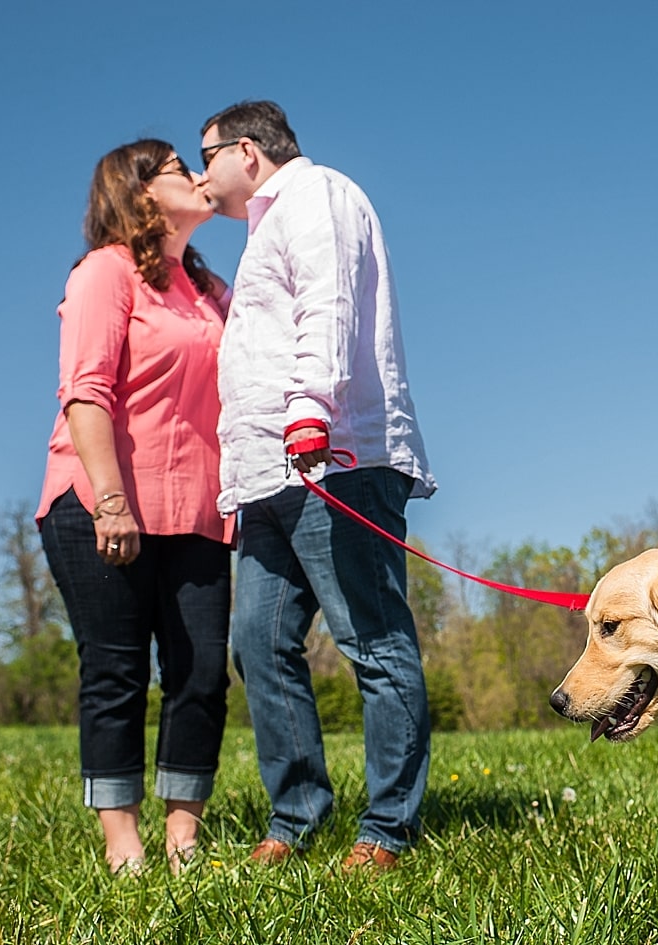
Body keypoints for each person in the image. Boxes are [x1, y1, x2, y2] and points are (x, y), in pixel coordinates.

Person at [197, 100, 437, 874]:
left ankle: (387, 829)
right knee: (258, 645)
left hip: (337, 456)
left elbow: (328, 300)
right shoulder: (260, 229)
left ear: (245, 149)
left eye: (206, 157)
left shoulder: (315, 194)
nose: (202, 176)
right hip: (267, 475)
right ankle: (296, 814)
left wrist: (310, 408)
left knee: (372, 641)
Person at [36, 139, 234, 876]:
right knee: (116, 671)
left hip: (199, 511)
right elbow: (86, 391)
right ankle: (124, 842)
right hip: (101, 500)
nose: (197, 175)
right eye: (180, 167)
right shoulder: (106, 273)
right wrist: (111, 502)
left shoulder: (211, 292)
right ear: (142, 192)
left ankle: (184, 837)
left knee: (201, 671)